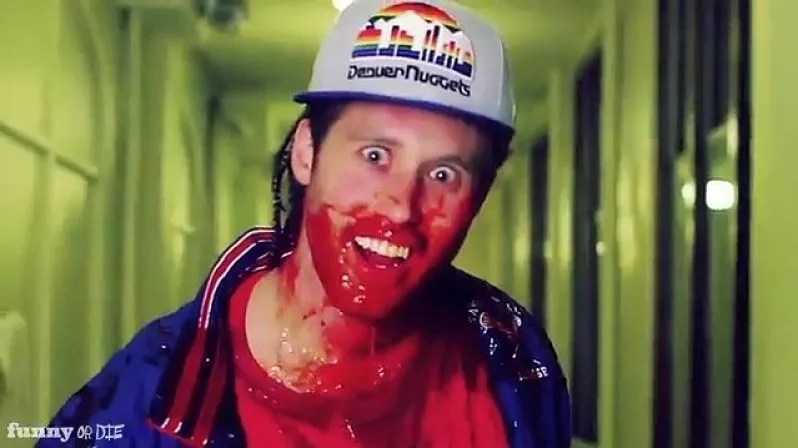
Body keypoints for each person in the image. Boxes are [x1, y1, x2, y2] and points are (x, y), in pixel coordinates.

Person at [41, 0, 571, 446]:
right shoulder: (144, 398)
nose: (400, 208)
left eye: (443, 174)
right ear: (306, 153)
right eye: (375, 156)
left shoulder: (512, 356)